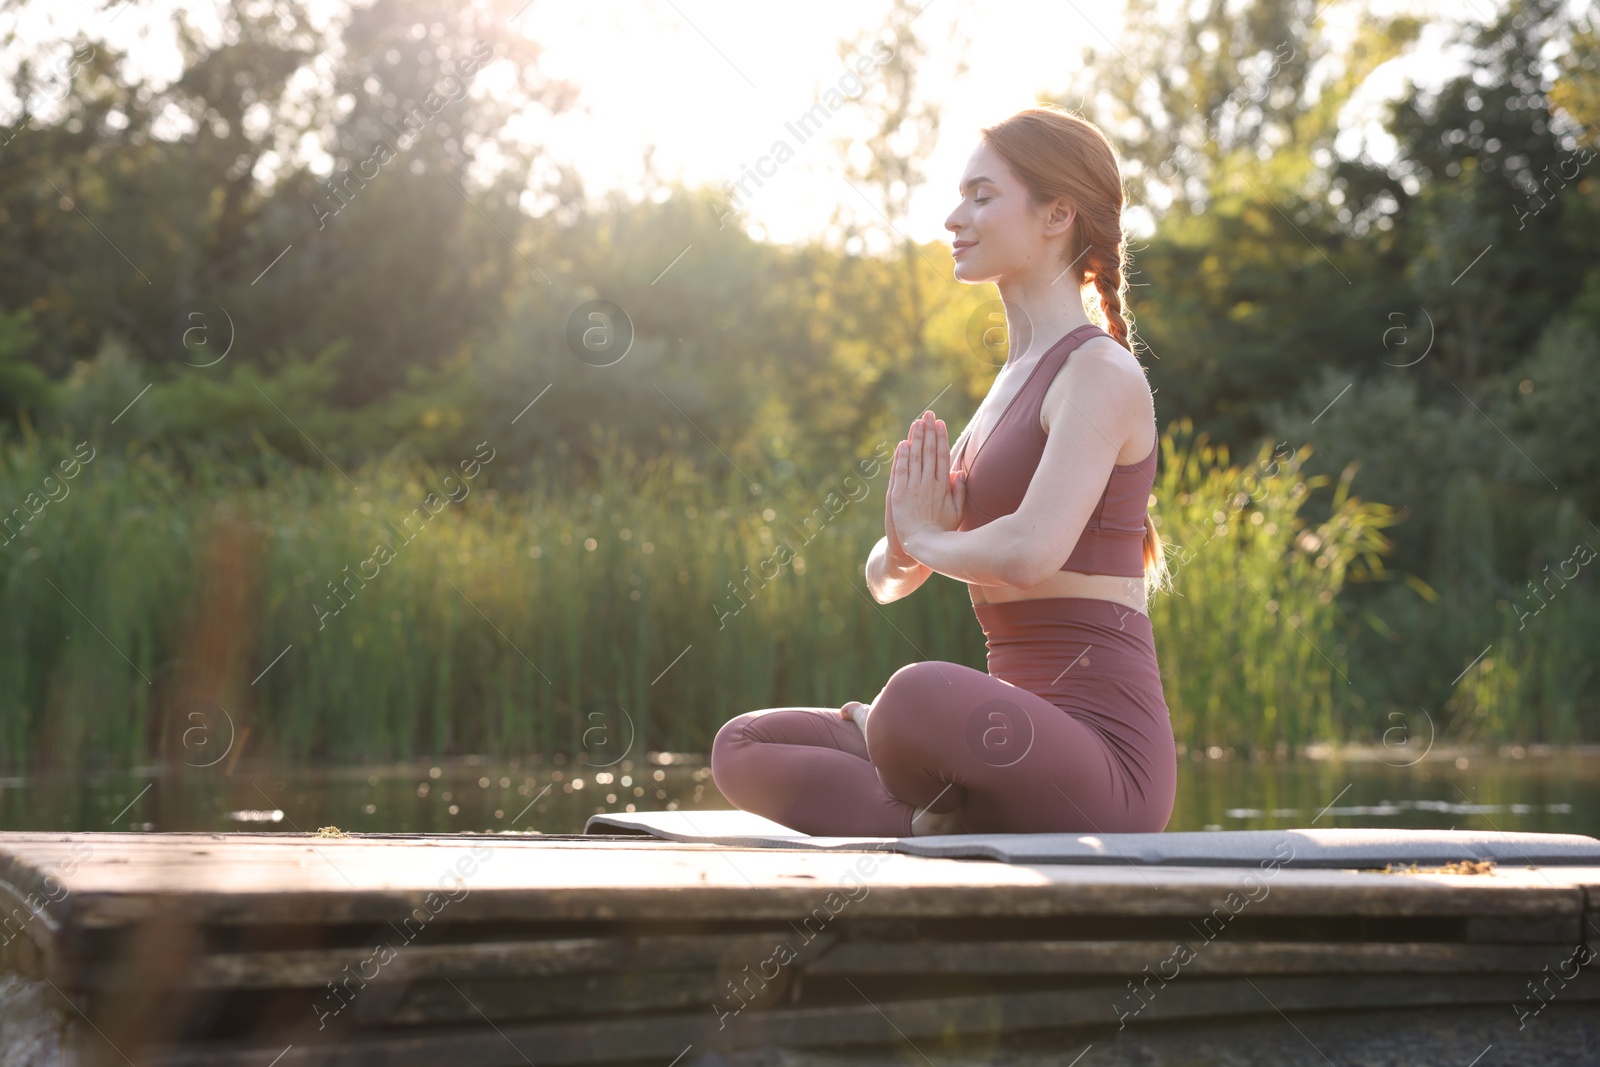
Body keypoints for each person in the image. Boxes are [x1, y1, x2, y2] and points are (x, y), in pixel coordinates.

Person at [710, 105, 1176, 838]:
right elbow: (886, 577)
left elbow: (1027, 552)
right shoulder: (1005, 389)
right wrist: (904, 544)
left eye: (981, 196)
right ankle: (941, 815)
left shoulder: (1099, 373)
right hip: (1003, 743)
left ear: (1058, 213)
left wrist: (926, 538)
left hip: (1104, 766)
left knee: (912, 699)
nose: (954, 217)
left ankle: (927, 792)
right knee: (742, 745)